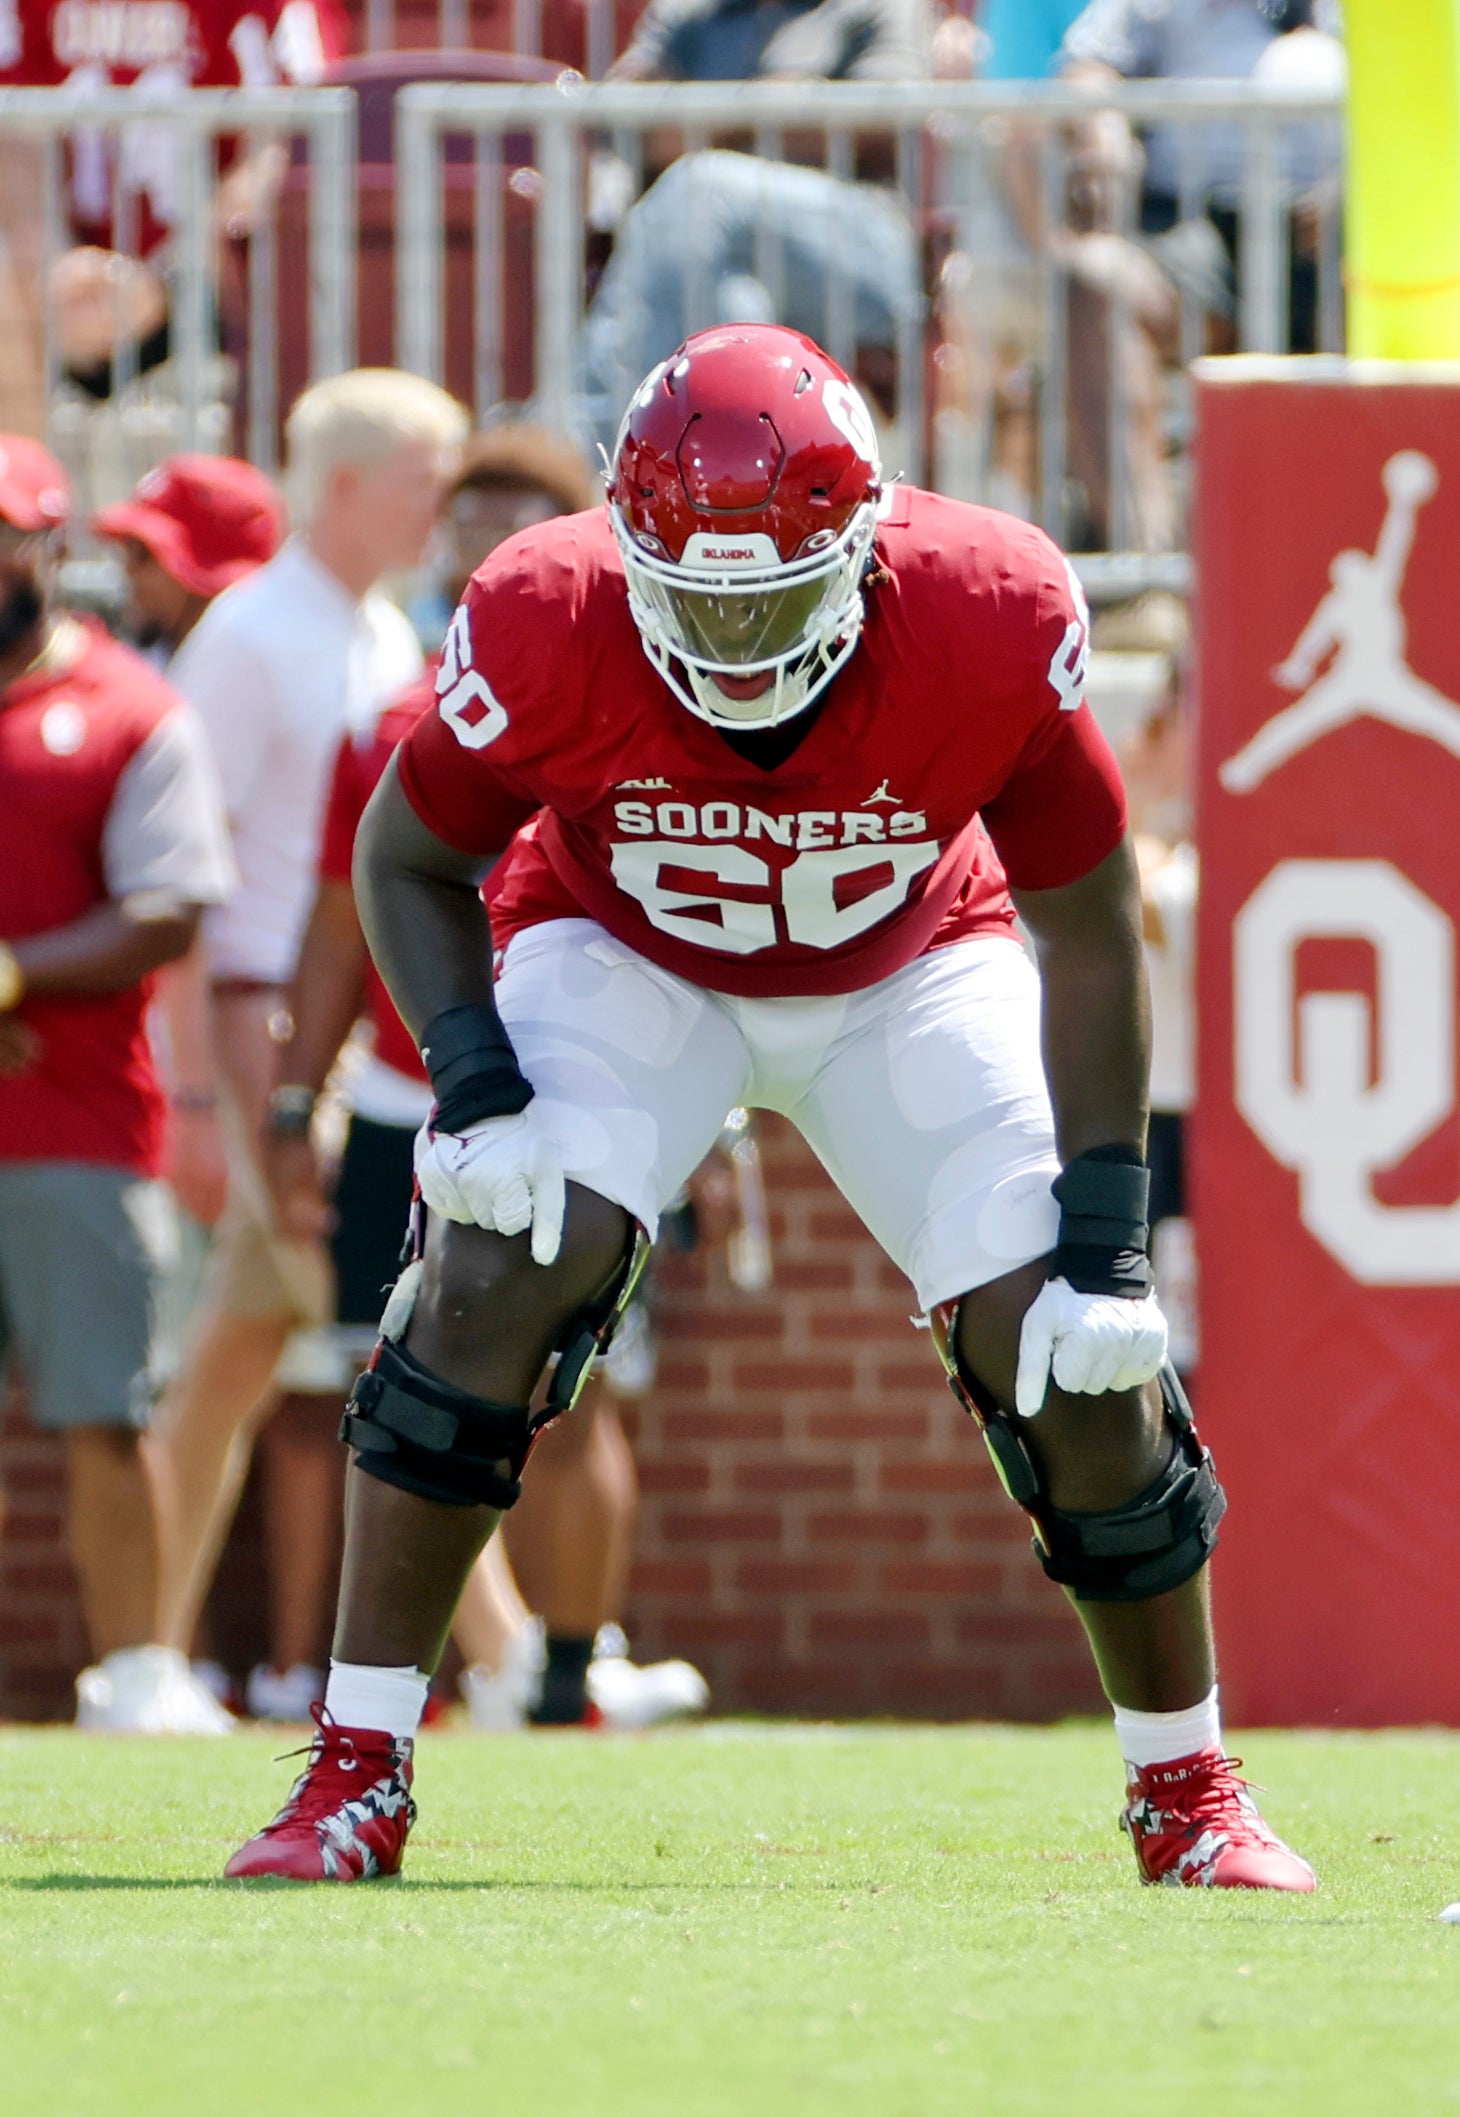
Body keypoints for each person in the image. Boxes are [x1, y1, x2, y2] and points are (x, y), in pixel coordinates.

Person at [224, 324, 1312, 1892]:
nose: (738, 641)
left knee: (1070, 1348)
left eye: (779, 594)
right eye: (700, 597)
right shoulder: (546, 606)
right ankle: (355, 1771)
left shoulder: (987, 606)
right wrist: (476, 1087)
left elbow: (1083, 921)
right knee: (497, 1253)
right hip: (627, 953)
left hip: (910, 961)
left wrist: (1111, 1239)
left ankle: (1188, 1789)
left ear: (869, 547)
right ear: (630, 551)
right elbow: (407, 859)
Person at [262, 424, 707, 1731]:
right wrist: (297, 1100)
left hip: (608, 1083)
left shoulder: (664, 692)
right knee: (420, 1381)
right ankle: (438, 1678)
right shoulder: (401, 715)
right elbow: (350, 914)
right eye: (470, 519)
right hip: (423, 1093)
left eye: (522, 518)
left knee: (588, 1388)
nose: (488, 545)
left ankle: (565, 1668)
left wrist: (721, 1129)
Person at [146, 370, 466, 1709]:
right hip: (268, 1035)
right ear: (342, 484)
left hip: (340, 1042)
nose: (441, 508)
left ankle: (139, 1648)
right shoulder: (252, 633)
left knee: (235, 1364)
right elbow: (180, 877)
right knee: (385, 1339)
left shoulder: (378, 631)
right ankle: (509, 1663)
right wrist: (203, 1096)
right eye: (422, 479)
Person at [0, 433, 234, 1731]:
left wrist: (10, 979)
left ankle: (140, 1670)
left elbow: (166, 909)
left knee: (104, 1404)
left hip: (75, 1119)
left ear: (46, 546)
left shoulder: (136, 711)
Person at [580, 0, 933, 449]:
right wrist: (768, 108)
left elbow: (880, 118)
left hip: (860, 249)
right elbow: (620, 118)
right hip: (704, 248)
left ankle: (598, 449)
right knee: (728, 293)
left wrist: (702, 123)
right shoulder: (687, 14)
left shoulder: (877, 6)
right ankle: (733, 463)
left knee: (703, 186)